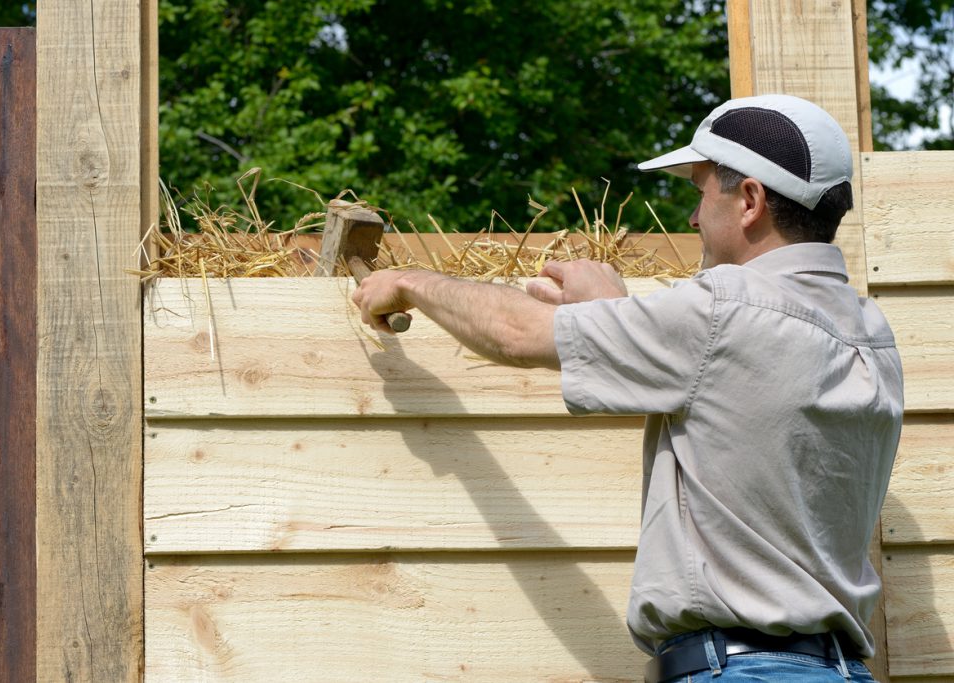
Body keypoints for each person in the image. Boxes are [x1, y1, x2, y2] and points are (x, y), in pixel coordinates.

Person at [352, 94, 903, 682]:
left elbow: (517, 334)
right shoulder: (871, 333)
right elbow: (736, 394)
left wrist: (407, 281)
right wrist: (617, 317)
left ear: (749, 201)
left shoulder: (719, 312)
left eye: (699, 193)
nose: (692, 219)